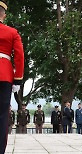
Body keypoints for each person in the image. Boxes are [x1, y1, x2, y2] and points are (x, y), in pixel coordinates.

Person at [0, 1, 24, 153]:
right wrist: (18, 78)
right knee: (2, 116)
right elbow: (19, 56)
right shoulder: (12, 32)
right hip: (4, 75)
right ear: (4, 15)